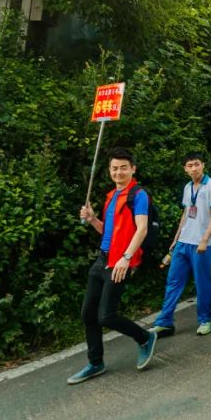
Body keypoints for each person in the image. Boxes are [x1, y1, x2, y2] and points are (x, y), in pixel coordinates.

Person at [71, 147, 156, 384]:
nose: (118, 172)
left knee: (106, 316)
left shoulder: (138, 195)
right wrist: (91, 220)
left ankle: (145, 338)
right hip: (103, 259)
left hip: (121, 262)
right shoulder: (111, 197)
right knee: (88, 313)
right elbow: (106, 232)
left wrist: (127, 258)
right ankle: (95, 362)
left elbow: (142, 228)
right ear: (109, 170)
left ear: (133, 169)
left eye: (123, 168)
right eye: (114, 168)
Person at [150, 152, 211, 337]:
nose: (193, 168)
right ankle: (165, 322)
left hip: (202, 244)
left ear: (203, 165)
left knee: (202, 283)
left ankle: (206, 319)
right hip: (183, 242)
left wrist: (205, 239)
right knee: (173, 281)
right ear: (185, 169)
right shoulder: (188, 186)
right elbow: (186, 213)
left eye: (196, 164)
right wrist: (176, 238)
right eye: (189, 165)